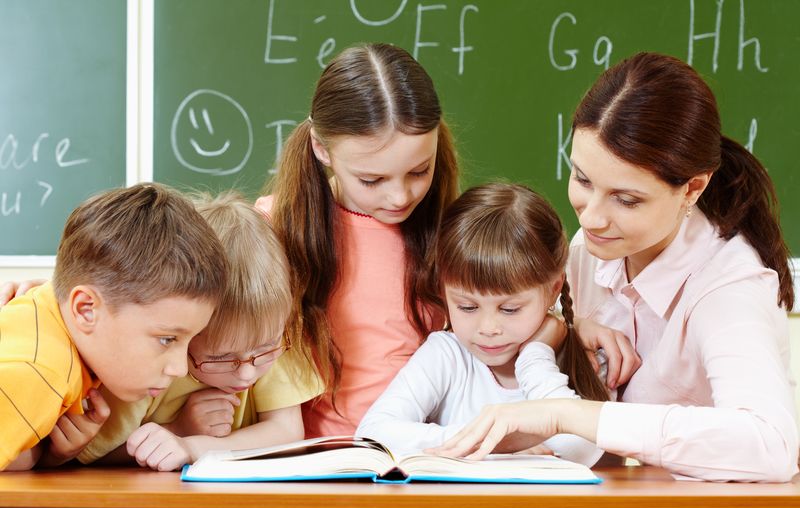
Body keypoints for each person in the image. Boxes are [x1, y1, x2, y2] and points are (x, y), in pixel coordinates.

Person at [431, 52, 799, 482]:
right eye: (583, 180)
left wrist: (570, 415)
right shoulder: (591, 251)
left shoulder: (727, 285)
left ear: (693, 188)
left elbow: (770, 445)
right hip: (614, 496)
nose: (591, 219)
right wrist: (567, 328)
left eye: (626, 199)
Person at [257, 43, 459, 437]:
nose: (399, 197)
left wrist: (564, 328)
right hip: (307, 466)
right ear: (321, 148)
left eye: (419, 171)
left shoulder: (451, 232)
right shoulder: (271, 228)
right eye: (372, 180)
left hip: (418, 460)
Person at [356, 183, 608, 465]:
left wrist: (535, 356)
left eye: (510, 309)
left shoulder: (584, 357)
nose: (488, 327)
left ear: (552, 289)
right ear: (443, 291)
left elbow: (581, 447)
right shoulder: (446, 355)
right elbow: (372, 435)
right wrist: (492, 443)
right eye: (467, 307)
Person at [74, 192, 323, 471]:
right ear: (186, 333)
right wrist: (179, 429)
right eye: (220, 357)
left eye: (264, 350)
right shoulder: (153, 366)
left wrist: (194, 447)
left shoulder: (274, 332)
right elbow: (92, 455)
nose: (246, 373)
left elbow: (287, 432)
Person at [0, 183, 227, 471]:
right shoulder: (41, 371)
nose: (180, 369)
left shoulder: (46, 309)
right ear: (85, 309)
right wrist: (34, 455)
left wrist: (50, 455)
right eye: (167, 339)